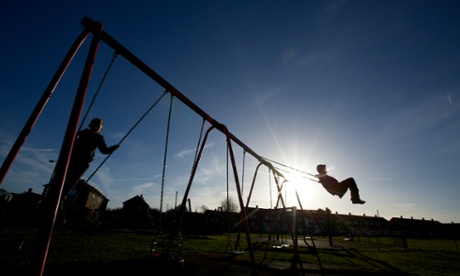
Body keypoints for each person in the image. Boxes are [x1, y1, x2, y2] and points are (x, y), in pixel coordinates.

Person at [61, 118, 119, 199]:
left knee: (72, 181)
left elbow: (104, 150)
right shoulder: (83, 133)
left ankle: (62, 197)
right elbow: (71, 140)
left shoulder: (99, 138)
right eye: (94, 125)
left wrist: (113, 148)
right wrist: (75, 137)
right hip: (73, 159)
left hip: (83, 163)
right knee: (63, 178)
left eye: (98, 126)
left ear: (100, 129)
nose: (95, 127)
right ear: (89, 125)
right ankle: (56, 196)